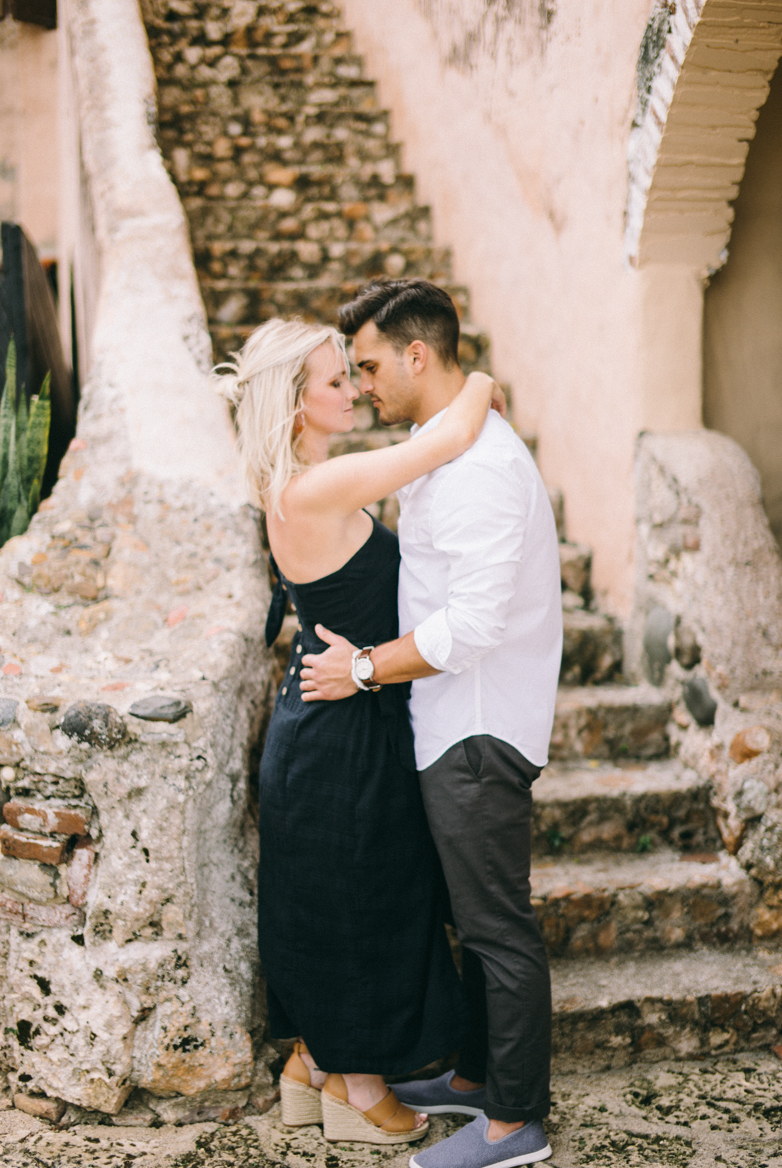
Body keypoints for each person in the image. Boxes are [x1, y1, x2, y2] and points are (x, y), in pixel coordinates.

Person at [211, 316, 505, 1147]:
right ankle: (361, 1091)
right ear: (295, 404)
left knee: (338, 901)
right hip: (341, 736)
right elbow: (446, 437)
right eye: (336, 381)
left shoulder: (303, 482)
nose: (356, 390)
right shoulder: (314, 486)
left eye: (352, 375)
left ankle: (311, 1067)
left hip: (341, 719)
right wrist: (478, 382)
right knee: (364, 907)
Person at [299, 278, 563, 1168]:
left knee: (498, 929)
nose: (363, 382)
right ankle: (472, 1085)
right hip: (447, 722)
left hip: (480, 731)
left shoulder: (484, 468)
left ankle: (515, 1125)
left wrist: (364, 668)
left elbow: (476, 625)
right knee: (468, 918)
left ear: (418, 354)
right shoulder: (440, 443)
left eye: (370, 364)